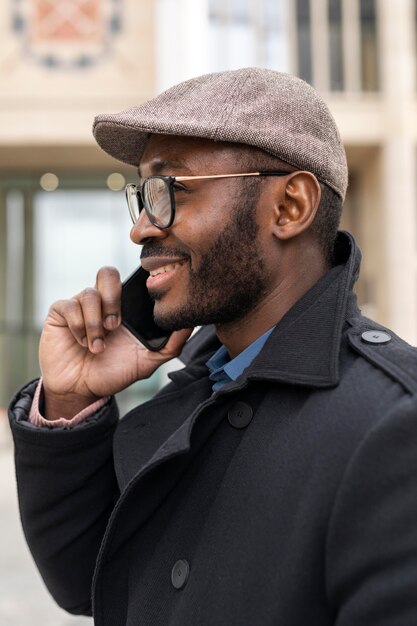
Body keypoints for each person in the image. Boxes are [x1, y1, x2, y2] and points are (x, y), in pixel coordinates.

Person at [8, 67, 417, 625]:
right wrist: (70, 401)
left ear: (289, 207)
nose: (142, 229)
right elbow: (85, 581)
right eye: (143, 196)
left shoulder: (394, 424)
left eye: (170, 190)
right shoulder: (194, 395)